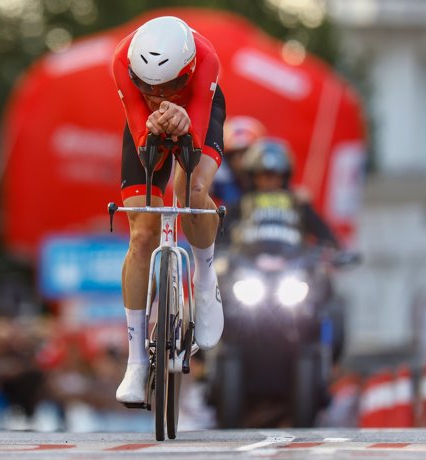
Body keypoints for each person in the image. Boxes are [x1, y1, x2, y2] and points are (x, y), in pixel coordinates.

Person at [111, 16, 226, 404]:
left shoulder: (206, 56)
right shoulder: (119, 60)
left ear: (188, 71)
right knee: (142, 233)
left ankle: (206, 280)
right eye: (147, 86)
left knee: (192, 189)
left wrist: (182, 120)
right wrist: (155, 120)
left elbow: (194, 135)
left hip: (198, 114)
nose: (159, 92)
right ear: (133, 74)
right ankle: (136, 360)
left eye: (171, 85)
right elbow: (142, 136)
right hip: (146, 123)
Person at [225, 137, 341, 250]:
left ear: (284, 177)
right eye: (264, 174)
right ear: (253, 176)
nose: (270, 181)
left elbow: (328, 239)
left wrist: (323, 252)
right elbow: (221, 241)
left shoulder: (298, 202)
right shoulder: (241, 203)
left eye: (276, 175)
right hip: (247, 265)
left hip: (293, 265)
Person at [211, 116, 267, 206]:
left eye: (245, 152)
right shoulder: (217, 184)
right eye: (233, 154)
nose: (239, 160)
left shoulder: (271, 180)